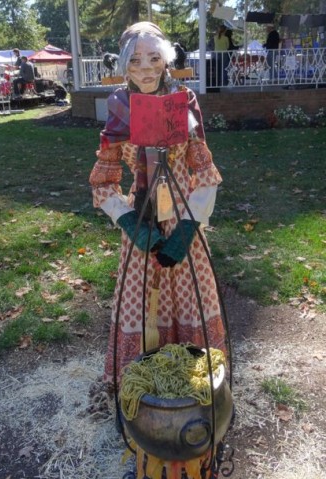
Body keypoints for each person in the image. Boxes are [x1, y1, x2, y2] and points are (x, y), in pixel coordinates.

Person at [89, 22, 226, 392]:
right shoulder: (119, 106)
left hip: (184, 214)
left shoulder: (184, 102)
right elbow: (103, 182)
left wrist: (187, 228)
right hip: (143, 215)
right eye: (135, 60)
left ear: (166, 61)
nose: (146, 68)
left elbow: (207, 174)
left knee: (190, 295)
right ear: (123, 65)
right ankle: (142, 386)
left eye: (154, 58)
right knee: (141, 299)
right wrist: (130, 220)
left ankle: (194, 385)